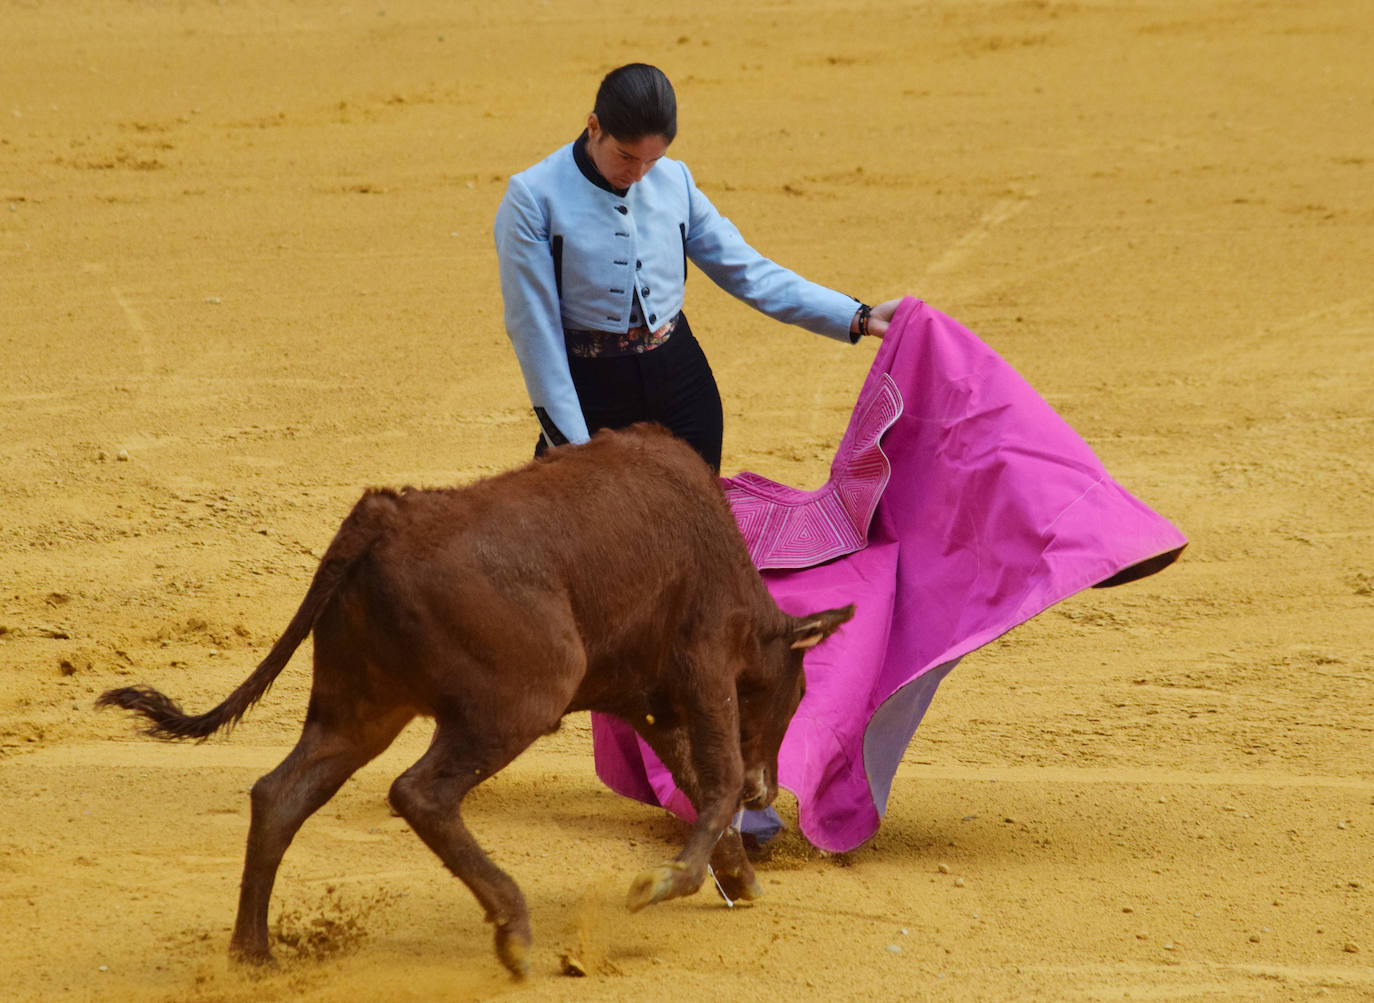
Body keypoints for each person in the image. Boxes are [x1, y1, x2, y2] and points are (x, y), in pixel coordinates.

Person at [494, 62, 900, 473]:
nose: (637, 175)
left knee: (693, 531)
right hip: (592, 393)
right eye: (626, 156)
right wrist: (572, 452)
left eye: (652, 160)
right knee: (582, 531)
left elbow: (748, 270)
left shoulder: (675, 180)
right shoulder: (533, 198)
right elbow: (535, 332)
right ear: (594, 127)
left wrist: (856, 316)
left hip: (682, 388)